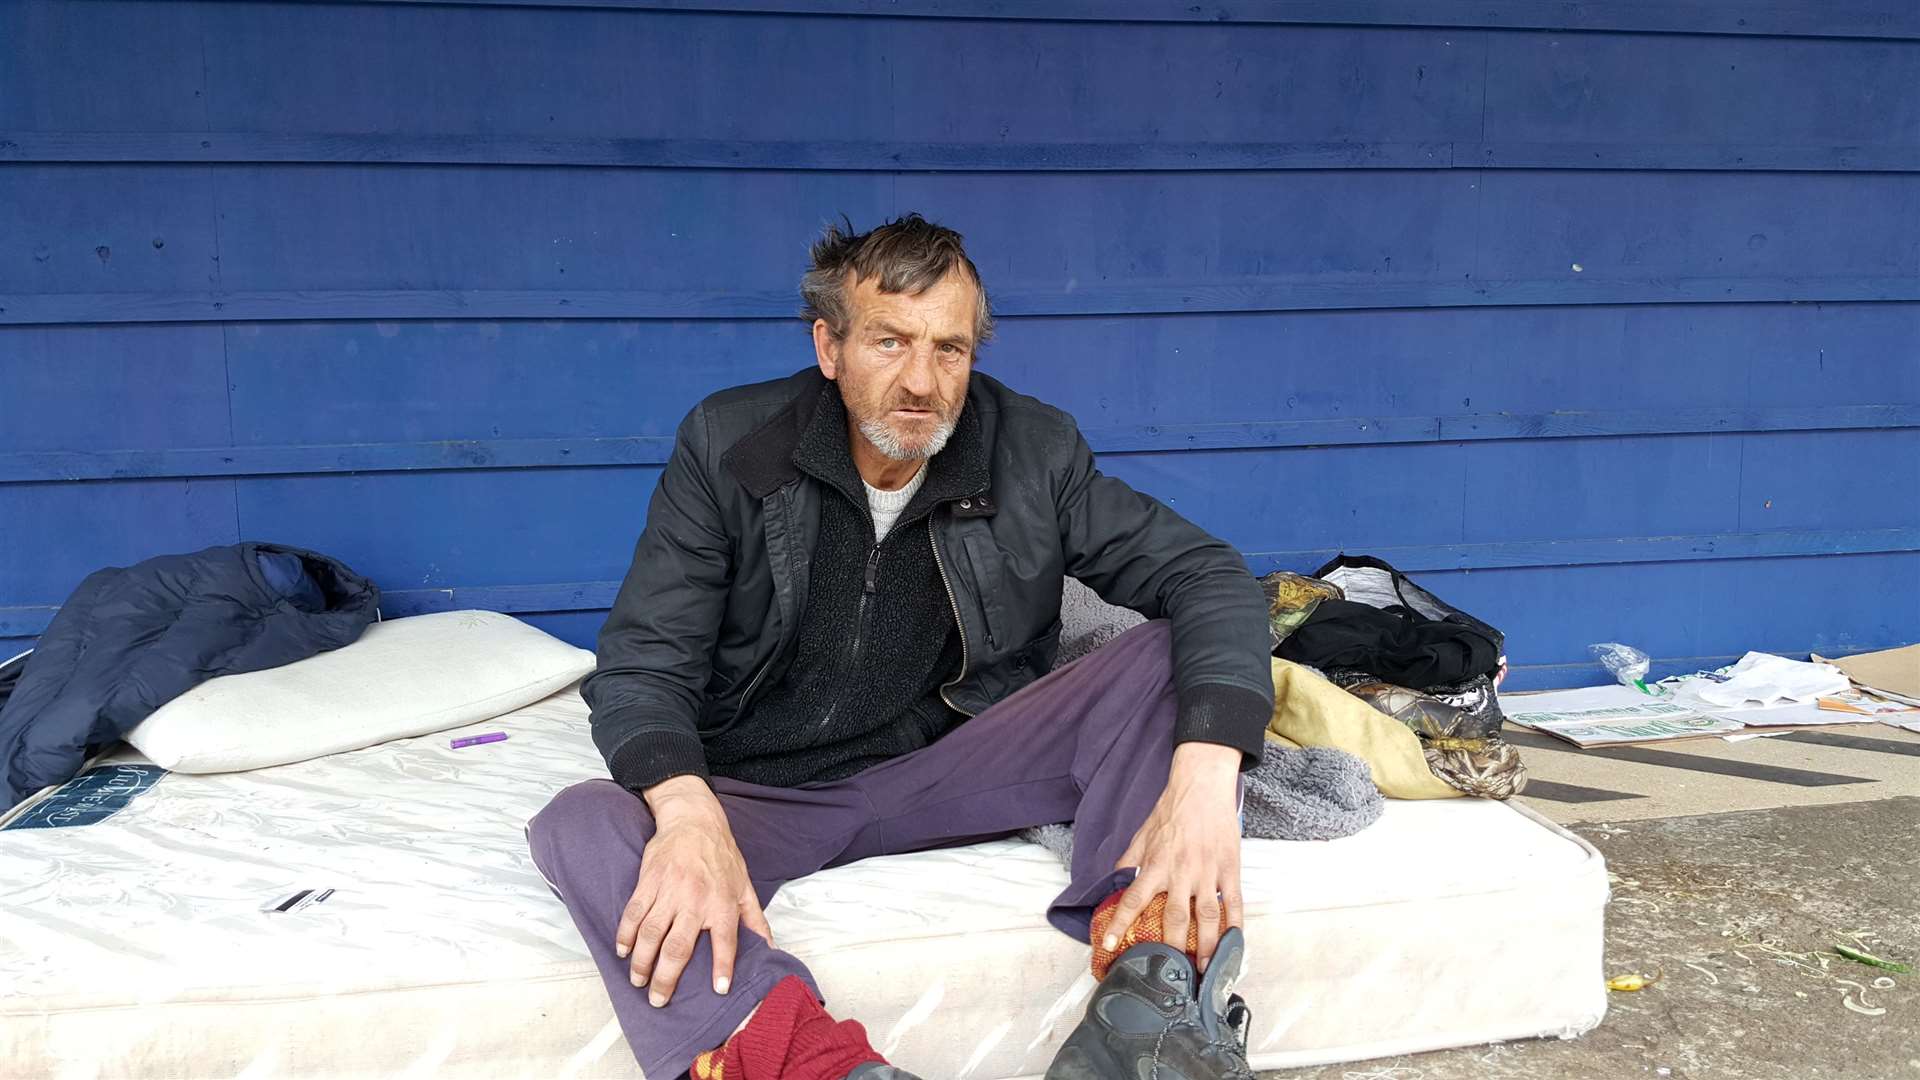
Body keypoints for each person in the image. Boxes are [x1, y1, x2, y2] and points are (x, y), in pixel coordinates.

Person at [527, 214, 1274, 1080]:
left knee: (1155, 659)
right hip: (759, 795)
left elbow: (1208, 575)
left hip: (943, 767)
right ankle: (812, 1063)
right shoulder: (731, 446)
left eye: (949, 349)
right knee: (582, 822)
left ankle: (1148, 999)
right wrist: (690, 816)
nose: (921, 382)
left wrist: (1206, 782)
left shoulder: (1034, 451)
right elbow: (643, 661)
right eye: (889, 341)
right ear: (829, 346)